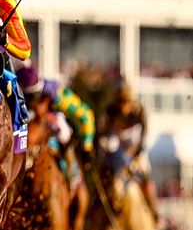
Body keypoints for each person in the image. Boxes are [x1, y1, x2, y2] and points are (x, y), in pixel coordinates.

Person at [17, 65, 96, 173]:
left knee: (62, 132)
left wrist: (87, 147)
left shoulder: (58, 95)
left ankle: (72, 175)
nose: (29, 102)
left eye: (31, 97)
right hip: (31, 128)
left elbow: (86, 115)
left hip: (56, 130)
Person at [99, 80, 158, 219]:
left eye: (126, 102)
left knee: (146, 176)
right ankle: (96, 215)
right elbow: (103, 137)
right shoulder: (109, 114)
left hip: (135, 153)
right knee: (102, 178)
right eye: (121, 102)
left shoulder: (140, 113)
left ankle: (153, 209)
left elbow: (144, 137)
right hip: (114, 156)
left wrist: (136, 157)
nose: (124, 106)